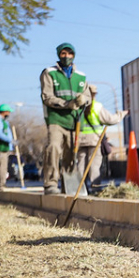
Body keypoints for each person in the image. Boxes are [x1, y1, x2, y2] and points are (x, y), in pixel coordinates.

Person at [40, 42, 93, 195]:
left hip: (75, 121)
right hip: (56, 119)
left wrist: (84, 100)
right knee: (54, 147)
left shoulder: (81, 76)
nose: (67, 57)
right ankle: (50, 183)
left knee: (72, 153)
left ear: (74, 55)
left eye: (70, 54)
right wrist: (67, 104)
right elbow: (47, 97)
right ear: (58, 55)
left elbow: (88, 96)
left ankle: (68, 185)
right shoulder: (49, 73)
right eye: (63, 54)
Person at [77, 84, 128, 192]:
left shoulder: (77, 106)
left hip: (80, 141)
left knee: (81, 166)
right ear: (94, 94)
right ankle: (95, 188)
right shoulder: (96, 106)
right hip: (95, 141)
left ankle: (80, 189)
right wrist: (122, 114)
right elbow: (110, 120)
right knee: (94, 166)